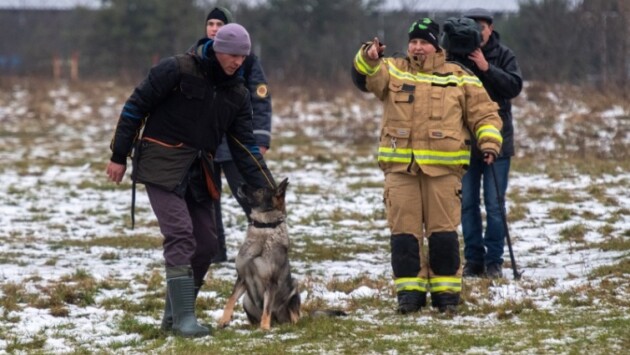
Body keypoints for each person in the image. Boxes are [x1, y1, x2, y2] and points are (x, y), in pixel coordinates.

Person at [106, 23, 275, 337]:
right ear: (217, 47)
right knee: (181, 235)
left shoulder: (237, 93)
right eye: (232, 54)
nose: (237, 61)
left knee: (207, 244)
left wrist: (268, 189)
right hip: (160, 162)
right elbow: (135, 107)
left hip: (199, 171)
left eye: (243, 56)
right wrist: (118, 155)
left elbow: (245, 146)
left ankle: (174, 317)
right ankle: (185, 321)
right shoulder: (177, 69)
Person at [351, 18, 503, 314]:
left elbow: (485, 115)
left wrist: (489, 143)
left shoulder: (459, 77)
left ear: (436, 46)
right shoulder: (393, 69)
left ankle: (446, 296)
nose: (417, 47)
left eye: (424, 42)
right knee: (404, 235)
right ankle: (409, 296)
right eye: (413, 41)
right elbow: (366, 76)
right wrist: (367, 57)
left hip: (443, 174)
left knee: (443, 235)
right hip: (401, 171)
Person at [452, 8, 523, 279]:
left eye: (480, 27)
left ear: (490, 29)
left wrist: (486, 67)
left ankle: (494, 260)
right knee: (468, 203)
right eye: (470, 27)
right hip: (465, 142)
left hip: (499, 142)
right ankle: (474, 260)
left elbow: (514, 87)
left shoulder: (504, 55)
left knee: (494, 205)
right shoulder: (456, 56)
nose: (476, 32)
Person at [200, 7, 272, 263]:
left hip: (235, 143)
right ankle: (215, 253)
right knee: (208, 199)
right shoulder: (198, 57)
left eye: (220, 23)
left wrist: (261, 138)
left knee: (247, 195)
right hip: (206, 143)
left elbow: (261, 99)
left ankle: (264, 244)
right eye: (210, 23)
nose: (214, 28)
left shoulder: (248, 60)